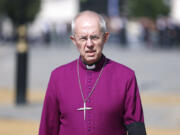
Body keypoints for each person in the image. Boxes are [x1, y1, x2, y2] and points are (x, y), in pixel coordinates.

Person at [39, 10, 146, 135]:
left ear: (105, 38)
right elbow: (48, 128)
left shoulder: (126, 77)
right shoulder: (58, 77)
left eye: (94, 37)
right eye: (83, 38)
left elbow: (136, 129)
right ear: (74, 40)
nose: (89, 44)